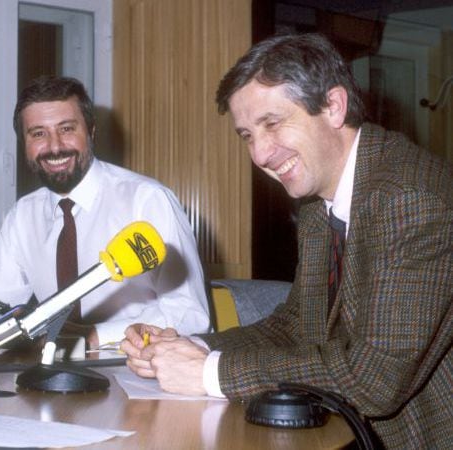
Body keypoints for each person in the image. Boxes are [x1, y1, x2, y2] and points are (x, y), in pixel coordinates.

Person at [122, 33, 453, 449]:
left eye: (272, 123)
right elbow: (296, 324)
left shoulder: (412, 200)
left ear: (333, 106)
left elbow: (374, 379)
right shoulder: (320, 202)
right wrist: (187, 347)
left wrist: (211, 372)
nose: (260, 154)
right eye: (247, 135)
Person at [0, 76, 211, 349]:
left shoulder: (147, 200)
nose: (54, 147)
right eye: (38, 134)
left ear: (91, 131)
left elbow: (190, 313)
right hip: (53, 369)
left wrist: (95, 336)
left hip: (137, 367)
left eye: (66, 129)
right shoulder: (23, 215)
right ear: (23, 143)